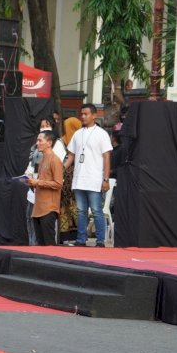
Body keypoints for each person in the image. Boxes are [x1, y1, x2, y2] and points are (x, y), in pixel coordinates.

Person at [64, 103, 113, 247]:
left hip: (94, 179)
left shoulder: (101, 134)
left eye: (86, 114)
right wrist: (61, 168)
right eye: (82, 114)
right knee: (81, 211)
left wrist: (105, 179)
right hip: (79, 179)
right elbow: (71, 156)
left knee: (97, 210)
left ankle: (100, 241)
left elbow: (107, 157)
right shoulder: (77, 134)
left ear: (94, 115)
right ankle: (81, 239)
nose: (83, 117)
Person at [25, 118, 66, 245]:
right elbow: (43, 180)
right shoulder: (42, 160)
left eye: (40, 140)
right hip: (38, 207)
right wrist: (31, 181)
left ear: (49, 143)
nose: (37, 143)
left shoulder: (55, 160)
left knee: (49, 245)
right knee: (40, 244)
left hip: (49, 208)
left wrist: (38, 183)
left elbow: (58, 184)